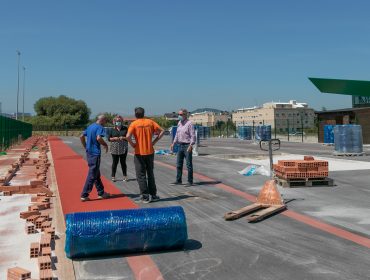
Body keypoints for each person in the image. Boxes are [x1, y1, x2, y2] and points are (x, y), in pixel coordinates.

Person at [126, 107, 165, 203]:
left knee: (141, 175)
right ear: (144, 113)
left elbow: (127, 136)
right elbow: (162, 131)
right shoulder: (150, 122)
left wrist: (133, 144)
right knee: (150, 173)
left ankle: (145, 196)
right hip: (150, 152)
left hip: (139, 153)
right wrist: (154, 141)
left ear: (135, 114)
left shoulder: (134, 124)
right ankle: (153, 194)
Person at [79, 115, 110, 201]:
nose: (105, 123)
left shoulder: (90, 126)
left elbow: (81, 136)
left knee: (96, 173)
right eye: (105, 121)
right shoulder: (100, 127)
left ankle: (101, 192)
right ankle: (84, 194)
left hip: (89, 152)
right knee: (92, 174)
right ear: (102, 120)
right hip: (95, 153)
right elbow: (99, 137)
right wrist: (105, 145)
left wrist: (85, 146)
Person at [170, 109, 196, 187]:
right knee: (178, 164)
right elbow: (177, 135)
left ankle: (190, 181)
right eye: (179, 114)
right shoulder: (179, 123)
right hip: (180, 145)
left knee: (188, 164)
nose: (179, 116)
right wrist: (173, 143)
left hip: (187, 145)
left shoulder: (189, 123)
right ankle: (178, 180)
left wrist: (191, 145)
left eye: (181, 114)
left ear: (185, 115)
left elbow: (193, 136)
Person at [107, 115, 128, 182]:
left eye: (119, 121)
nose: (118, 122)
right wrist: (114, 138)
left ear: (122, 121)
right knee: (115, 162)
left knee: (123, 162)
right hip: (114, 147)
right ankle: (113, 176)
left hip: (123, 147)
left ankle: (125, 176)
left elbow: (128, 137)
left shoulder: (125, 128)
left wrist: (123, 138)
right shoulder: (111, 129)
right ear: (114, 121)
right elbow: (109, 139)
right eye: (117, 121)